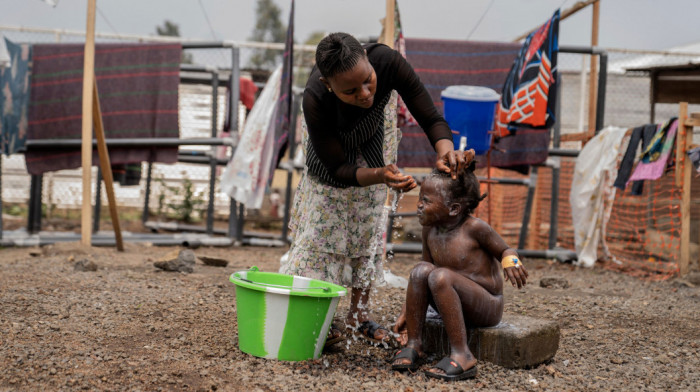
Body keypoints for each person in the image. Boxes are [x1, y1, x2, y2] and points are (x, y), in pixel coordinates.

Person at [279, 32, 471, 347]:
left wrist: (445, 150)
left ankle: (359, 316)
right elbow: (337, 168)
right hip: (331, 160)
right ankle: (313, 318)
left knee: (368, 224)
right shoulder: (315, 97)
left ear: (369, 60)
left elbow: (430, 117)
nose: (366, 94)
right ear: (329, 85)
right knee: (320, 230)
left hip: (372, 140)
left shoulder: (388, 61)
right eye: (351, 91)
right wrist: (381, 174)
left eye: (369, 81)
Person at [391, 162, 528, 381]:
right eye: (420, 199)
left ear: (453, 208)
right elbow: (424, 274)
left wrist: (511, 261)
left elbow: (505, 249)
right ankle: (415, 344)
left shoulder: (475, 228)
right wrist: (408, 311)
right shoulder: (430, 230)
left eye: (426, 201)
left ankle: (463, 354)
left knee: (440, 275)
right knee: (420, 270)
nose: (418, 205)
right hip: (448, 297)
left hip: (485, 305)